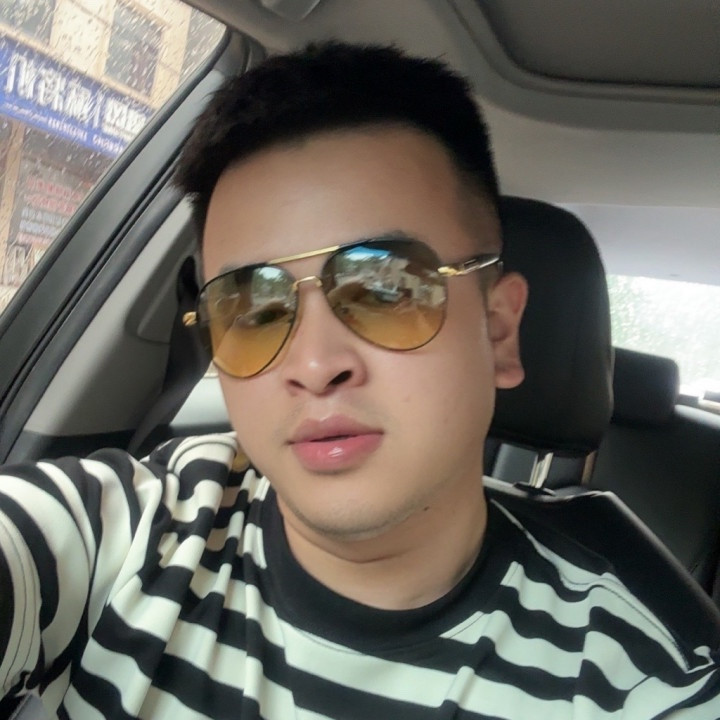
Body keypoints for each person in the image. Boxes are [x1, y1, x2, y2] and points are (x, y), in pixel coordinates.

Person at [0, 42, 718, 720]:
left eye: (387, 289)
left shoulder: (637, 684)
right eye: (253, 308)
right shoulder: (132, 528)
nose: (315, 365)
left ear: (498, 330)